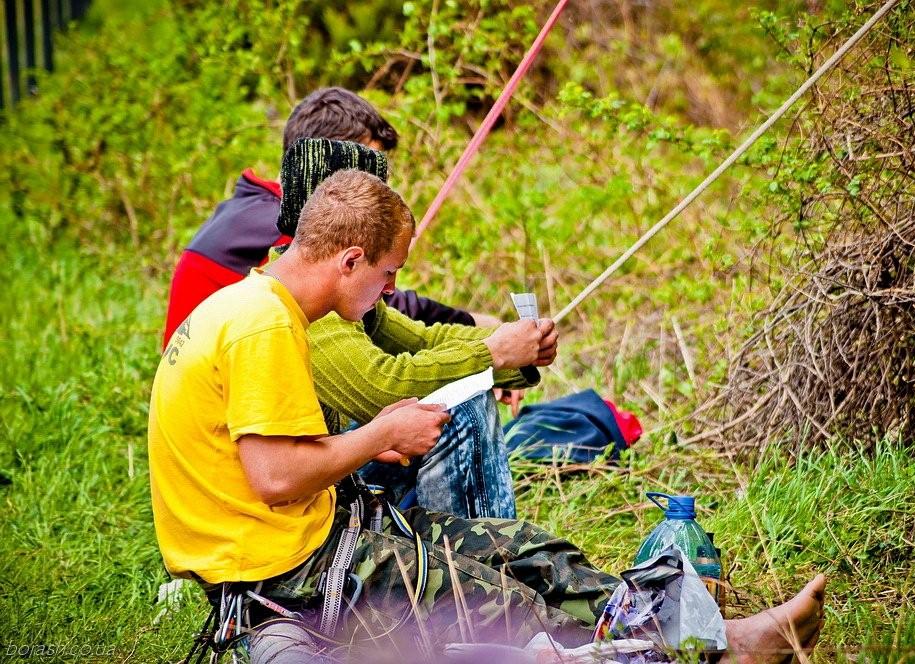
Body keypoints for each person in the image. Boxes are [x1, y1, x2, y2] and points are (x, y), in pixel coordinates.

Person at [150, 169, 826, 664]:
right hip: (279, 569)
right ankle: (709, 650)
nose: (392, 288)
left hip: (314, 533)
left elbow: (261, 455)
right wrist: (381, 433)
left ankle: (714, 635)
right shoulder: (264, 325)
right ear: (350, 260)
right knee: (509, 605)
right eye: (388, 273)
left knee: (532, 553)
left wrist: (366, 444)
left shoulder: (262, 305)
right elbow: (273, 477)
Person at [276, 137, 538, 520]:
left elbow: (421, 340)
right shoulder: (298, 309)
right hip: (291, 518)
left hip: (315, 481)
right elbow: (382, 388)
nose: (391, 287)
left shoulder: (332, 296)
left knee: (454, 401)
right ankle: (481, 550)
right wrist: (493, 353)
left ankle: (479, 545)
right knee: (456, 411)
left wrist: (518, 349)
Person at [162, 86, 497, 350]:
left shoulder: (256, 206)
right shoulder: (284, 230)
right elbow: (373, 313)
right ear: (324, 160)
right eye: (365, 172)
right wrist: (482, 332)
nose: (373, 188)